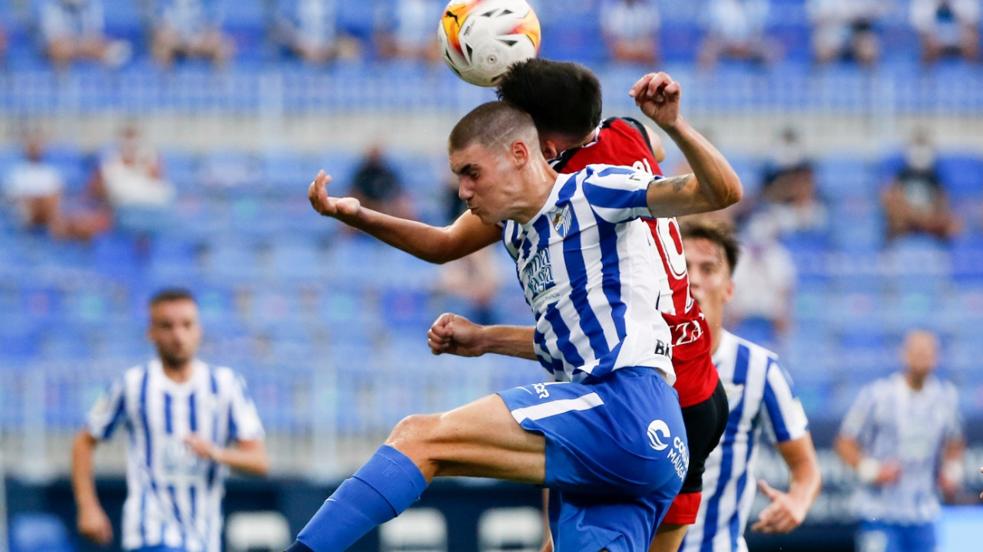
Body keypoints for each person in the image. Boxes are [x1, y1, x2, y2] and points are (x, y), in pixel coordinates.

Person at [291, 73, 742, 550]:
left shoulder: (594, 189)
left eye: (471, 173)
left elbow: (720, 192)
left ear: (524, 154)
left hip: (625, 406)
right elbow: (550, 332)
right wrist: (483, 338)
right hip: (648, 444)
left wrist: (675, 125)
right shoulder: (520, 234)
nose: (463, 191)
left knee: (420, 436)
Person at [71, 288, 269, 551]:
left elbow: (259, 461)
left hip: (203, 537)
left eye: (186, 325)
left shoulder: (226, 385)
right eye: (167, 326)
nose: (178, 336)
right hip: (148, 533)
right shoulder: (132, 384)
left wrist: (215, 453)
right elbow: (84, 441)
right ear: (151, 332)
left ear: (199, 330)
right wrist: (88, 506)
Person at [675, 219, 820, 550]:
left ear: (729, 289)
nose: (693, 279)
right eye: (682, 268)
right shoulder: (635, 362)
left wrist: (797, 500)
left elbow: (806, 468)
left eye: (708, 269)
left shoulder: (759, 369)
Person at [835, 329, 964, 552]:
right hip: (880, 511)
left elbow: (955, 441)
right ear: (903, 354)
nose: (922, 357)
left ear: (937, 356)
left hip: (924, 511)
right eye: (917, 351)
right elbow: (845, 441)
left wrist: (952, 471)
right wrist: (871, 470)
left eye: (928, 352)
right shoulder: (877, 395)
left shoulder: (946, 397)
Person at [881, 129, 961, 241]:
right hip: (906, 220)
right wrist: (911, 212)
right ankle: (890, 252)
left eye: (923, 148)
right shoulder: (901, 174)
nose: (920, 153)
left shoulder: (935, 176)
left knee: (954, 224)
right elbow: (890, 197)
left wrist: (929, 215)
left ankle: (946, 253)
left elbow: (942, 200)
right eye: (917, 147)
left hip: (929, 219)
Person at [39, 0, 131, 69]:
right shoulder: (52, 8)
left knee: (115, 48)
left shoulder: (93, 5)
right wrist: (81, 45)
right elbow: (55, 41)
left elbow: (94, 36)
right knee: (60, 49)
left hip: (83, 45)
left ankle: (85, 56)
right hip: (63, 48)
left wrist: (81, 45)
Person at [269, 0, 360, 65]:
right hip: (296, 58)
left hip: (329, 55)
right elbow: (278, 30)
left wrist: (331, 48)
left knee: (352, 56)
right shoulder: (289, 4)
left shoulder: (337, 4)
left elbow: (348, 34)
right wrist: (305, 48)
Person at [150, 0, 235, 68]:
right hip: (174, 36)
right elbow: (159, 20)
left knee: (224, 47)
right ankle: (166, 85)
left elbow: (212, 24)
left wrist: (198, 39)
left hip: (200, 36)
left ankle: (219, 87)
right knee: (160, 44)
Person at [910, 0, 979, 64]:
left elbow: (971, 30)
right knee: (929, 45)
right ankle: (927, 75)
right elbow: (924, 33)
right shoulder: (923, 3)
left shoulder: (966, 2)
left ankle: (973, 71)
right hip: (935, 41)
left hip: (960, 39)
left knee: (970, 42)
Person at [601, 0, 660, 64]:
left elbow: (651, 36)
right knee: (620, 49)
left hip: (641, 46)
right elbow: (613, 40)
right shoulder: (615, 12)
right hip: (623, 48)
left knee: (649, 50)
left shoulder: (646, 10)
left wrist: (638, 47)